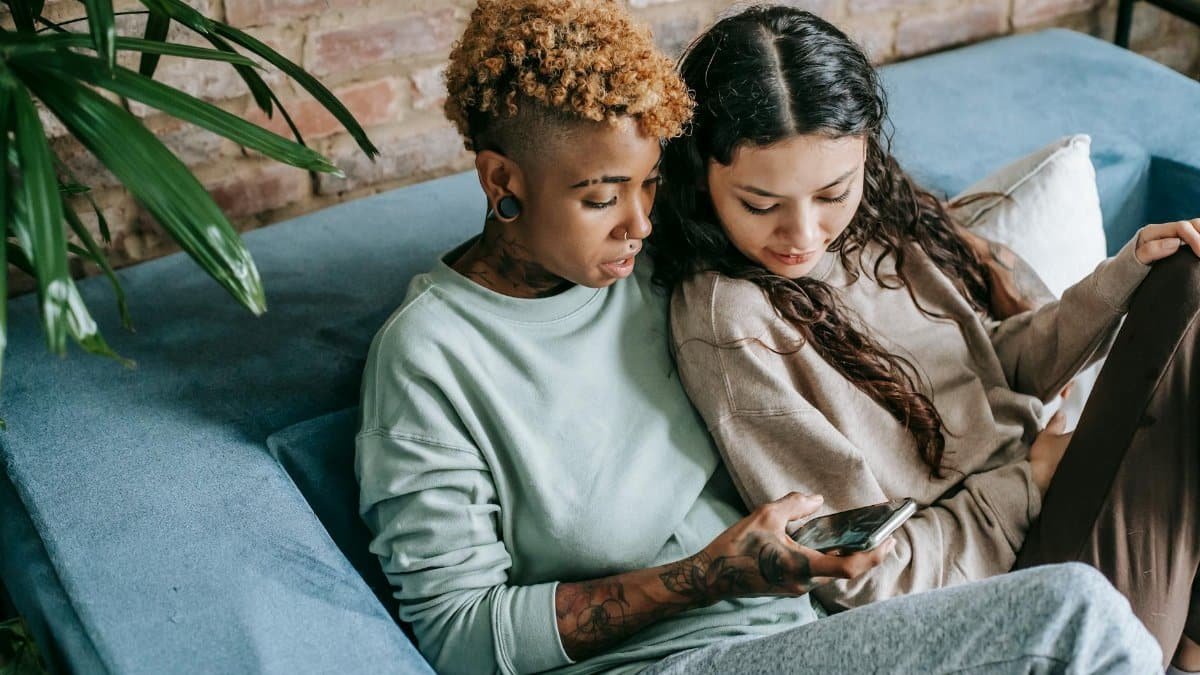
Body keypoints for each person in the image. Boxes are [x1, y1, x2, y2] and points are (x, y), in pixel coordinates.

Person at [355, 1, 1163, 673]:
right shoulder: (431, 358)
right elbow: (458, 633)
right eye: (602, 197)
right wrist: (706, 577)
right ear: (503, 181)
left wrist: (1024, 277)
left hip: (812, 630)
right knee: (1077, 615)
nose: (638, 222)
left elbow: (831, 234)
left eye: (649, 185)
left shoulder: (662, 261)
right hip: (674, 662)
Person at [650, 5, 1200, 672]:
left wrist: (1126, 274)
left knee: (1181, 273)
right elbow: (868, 576)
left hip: (1054, 491)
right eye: (760, 204)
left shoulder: (878, 223)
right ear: (701, 177)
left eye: (832, 191)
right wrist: (1030, 480)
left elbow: (995, 373)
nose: (803, 235)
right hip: (1008, 581)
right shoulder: (731, 323)